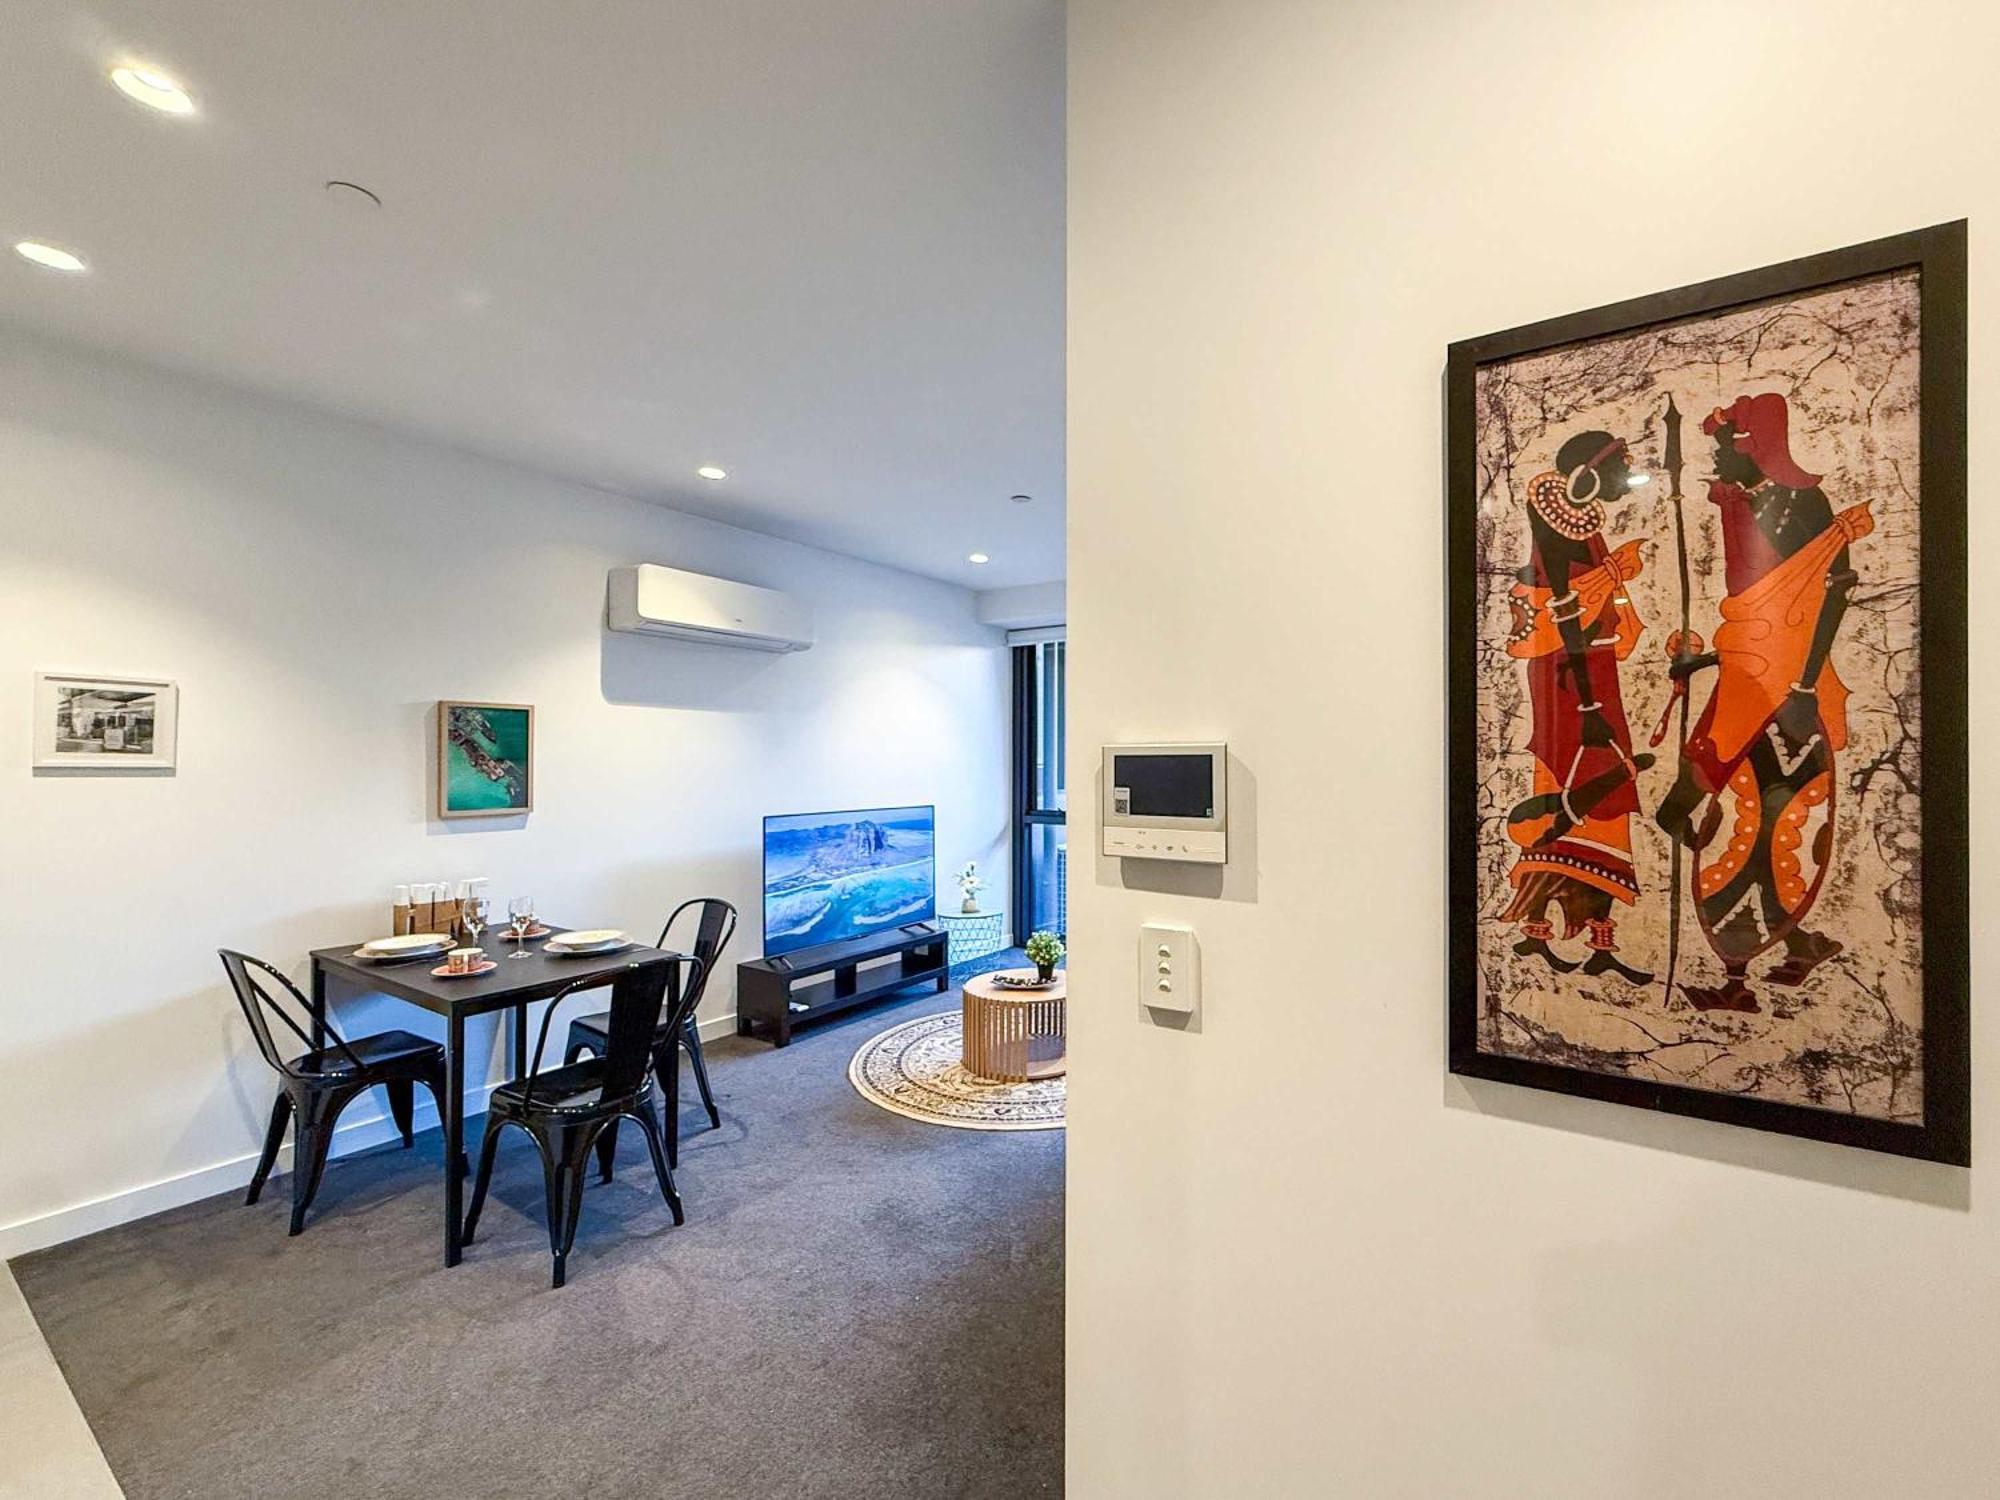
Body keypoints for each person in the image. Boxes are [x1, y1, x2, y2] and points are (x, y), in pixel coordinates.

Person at [1654, 393, 1873, 1012]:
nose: (1716, 460)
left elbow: (1831, 597)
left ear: (1756, 447)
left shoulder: (1806, 506)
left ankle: (1738, 981)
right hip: (1743, 681)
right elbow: (1758, 621)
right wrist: (1701, 662)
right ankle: (1797, 944)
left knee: (1767, 826)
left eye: (1724, 447)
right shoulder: (1744, 500)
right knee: (1694, 811)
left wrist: (1802, 688)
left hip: (1789, 690)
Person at [1500, 429, 1653, 982]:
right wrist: (1588, 707)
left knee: (1607, 795)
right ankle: (1538, 926)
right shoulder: (1554, 527)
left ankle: (1598, 939)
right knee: (1578, 789)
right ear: (1587, 474)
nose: (1627, 476)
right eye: (1622, 466)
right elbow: (1561, 610)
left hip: (1594, 673)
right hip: (1571, 683)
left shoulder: (1583, 527)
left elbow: (1596, 609)